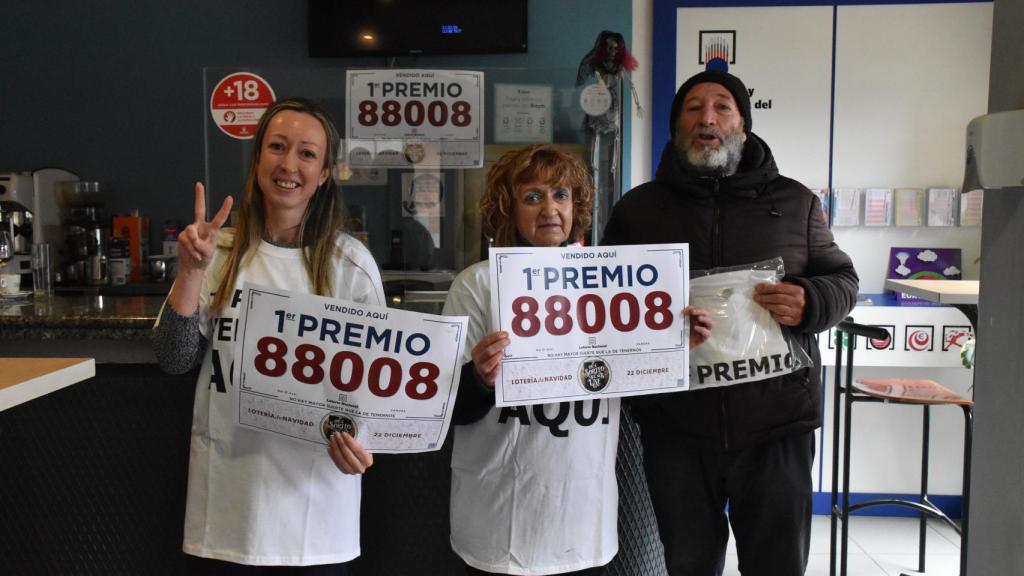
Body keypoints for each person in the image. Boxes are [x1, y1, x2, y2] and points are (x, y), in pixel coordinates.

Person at [601, 70, 859, 576]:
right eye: (693, 109)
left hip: (777, 426)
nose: (708, 119)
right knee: (688, 563)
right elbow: (607, 303)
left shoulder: (795, 203)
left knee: (777, 565)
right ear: (677, 126)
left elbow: (843, 279)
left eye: (722, 107)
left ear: (743, 123)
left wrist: (810, 301)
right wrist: (652, 330)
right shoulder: (639, 210)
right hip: (676, 427)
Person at [443, 144, 713, 576]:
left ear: (577, 205)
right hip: (498, 516)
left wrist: (675, 347)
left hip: (581, 519)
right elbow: (447, 407)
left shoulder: (606, 280)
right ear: (507, 209)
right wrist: (477, 377)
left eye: (561, 195)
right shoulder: (476, 284)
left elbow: (639, 393)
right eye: (532, 196)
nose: (549, 208)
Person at [152, 98, 385, 575]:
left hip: (315, 512)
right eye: (277, 147)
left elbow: (376, 389)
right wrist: (192, 271)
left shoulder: (351, 265)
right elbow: (175, 359)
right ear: (258, 158)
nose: (289, 165)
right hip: (226, 507)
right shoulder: (218, 251)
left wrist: (364, 443)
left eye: (306, 154)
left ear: (323, 174)